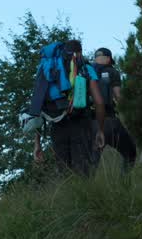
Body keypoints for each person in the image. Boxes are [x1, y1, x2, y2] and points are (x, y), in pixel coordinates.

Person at [33, 40, 106, 175]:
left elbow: (37, 106)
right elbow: (99, 102)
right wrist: (100, 130)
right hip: (81, 123)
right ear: (80, 52)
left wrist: (37, 143)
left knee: (64, 171)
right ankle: (86, 195)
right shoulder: (86, 68)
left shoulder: (49, 69)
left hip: (57, 125)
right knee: (83, 170)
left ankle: (69, 194)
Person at [91, 47, 138, 169]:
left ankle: (85, 187)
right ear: (108, 59)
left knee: (91, 165)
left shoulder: (86, 72)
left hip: (89, 124)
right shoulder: (112, 72)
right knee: (130, 154)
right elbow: (118, 96)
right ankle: (125, 185)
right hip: (108, 121)